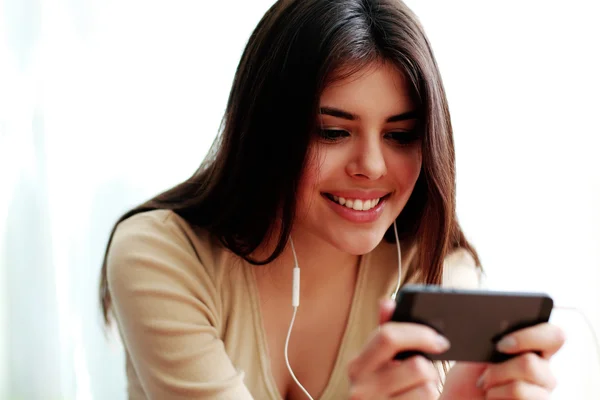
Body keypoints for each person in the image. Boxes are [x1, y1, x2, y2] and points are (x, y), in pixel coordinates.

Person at [99, 0, 565, 399]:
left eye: (400, 135)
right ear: (266, 131)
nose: (372, 165)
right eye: (332, 131)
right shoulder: (161, 257)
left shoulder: (435, 272)